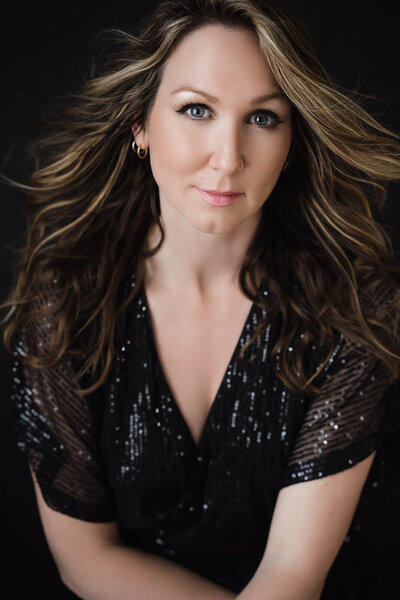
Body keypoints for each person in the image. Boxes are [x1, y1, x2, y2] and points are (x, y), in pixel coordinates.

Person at [2, 0, 400, 598]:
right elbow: (85, 560)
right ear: (140, 124)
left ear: (293, 139)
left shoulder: (358, 310)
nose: (229, 157)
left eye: (263, 119)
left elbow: (292, 574)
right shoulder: (63, 309)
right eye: (196, 110)